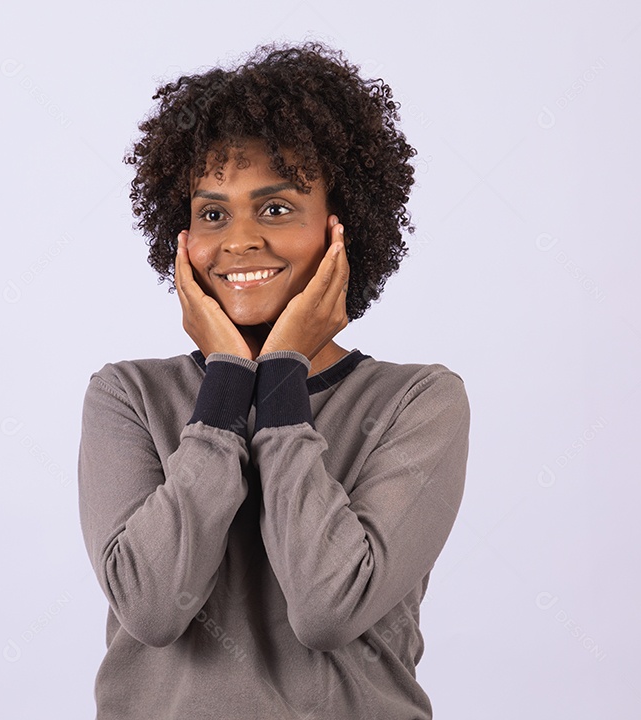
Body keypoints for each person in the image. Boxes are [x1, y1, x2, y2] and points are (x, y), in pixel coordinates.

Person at [77, 41, 471, 719]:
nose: (239, 240)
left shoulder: (417, 401)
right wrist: (229, 385)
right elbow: (149, 608)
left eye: (277, 208)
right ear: (181, 237)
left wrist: (282, 382)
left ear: (341, 225)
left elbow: (326, 607)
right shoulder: (128, 396)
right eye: (212, 212)